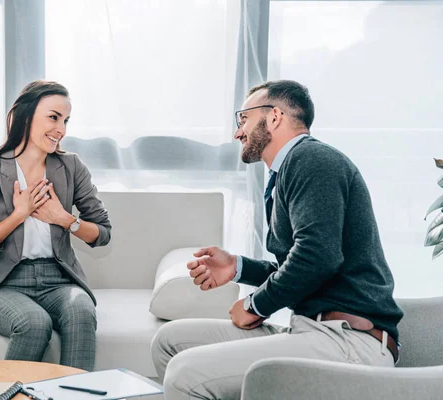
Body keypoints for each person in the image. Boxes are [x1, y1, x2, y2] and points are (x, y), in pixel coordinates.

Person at [151, 80, 403, 399]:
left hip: (349, 342)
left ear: (274, 117)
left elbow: (317, 257)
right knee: (169, 341)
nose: (237, 132)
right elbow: (303, 264)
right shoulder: (288, 172)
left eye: (243, 119)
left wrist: (256, 305)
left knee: (185, 373)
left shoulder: (312, 159)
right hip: (311, 330)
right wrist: (237, 267)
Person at [0, 80, 111, 371]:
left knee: (81, 310)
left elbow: (102, 233)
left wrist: (63, 219)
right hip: (3, 284)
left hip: (60, 280)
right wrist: (19, 214)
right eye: (53, 117)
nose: (61, 129)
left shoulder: (71, 166)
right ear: (24, 116)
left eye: (65, 120)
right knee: (34, 323)